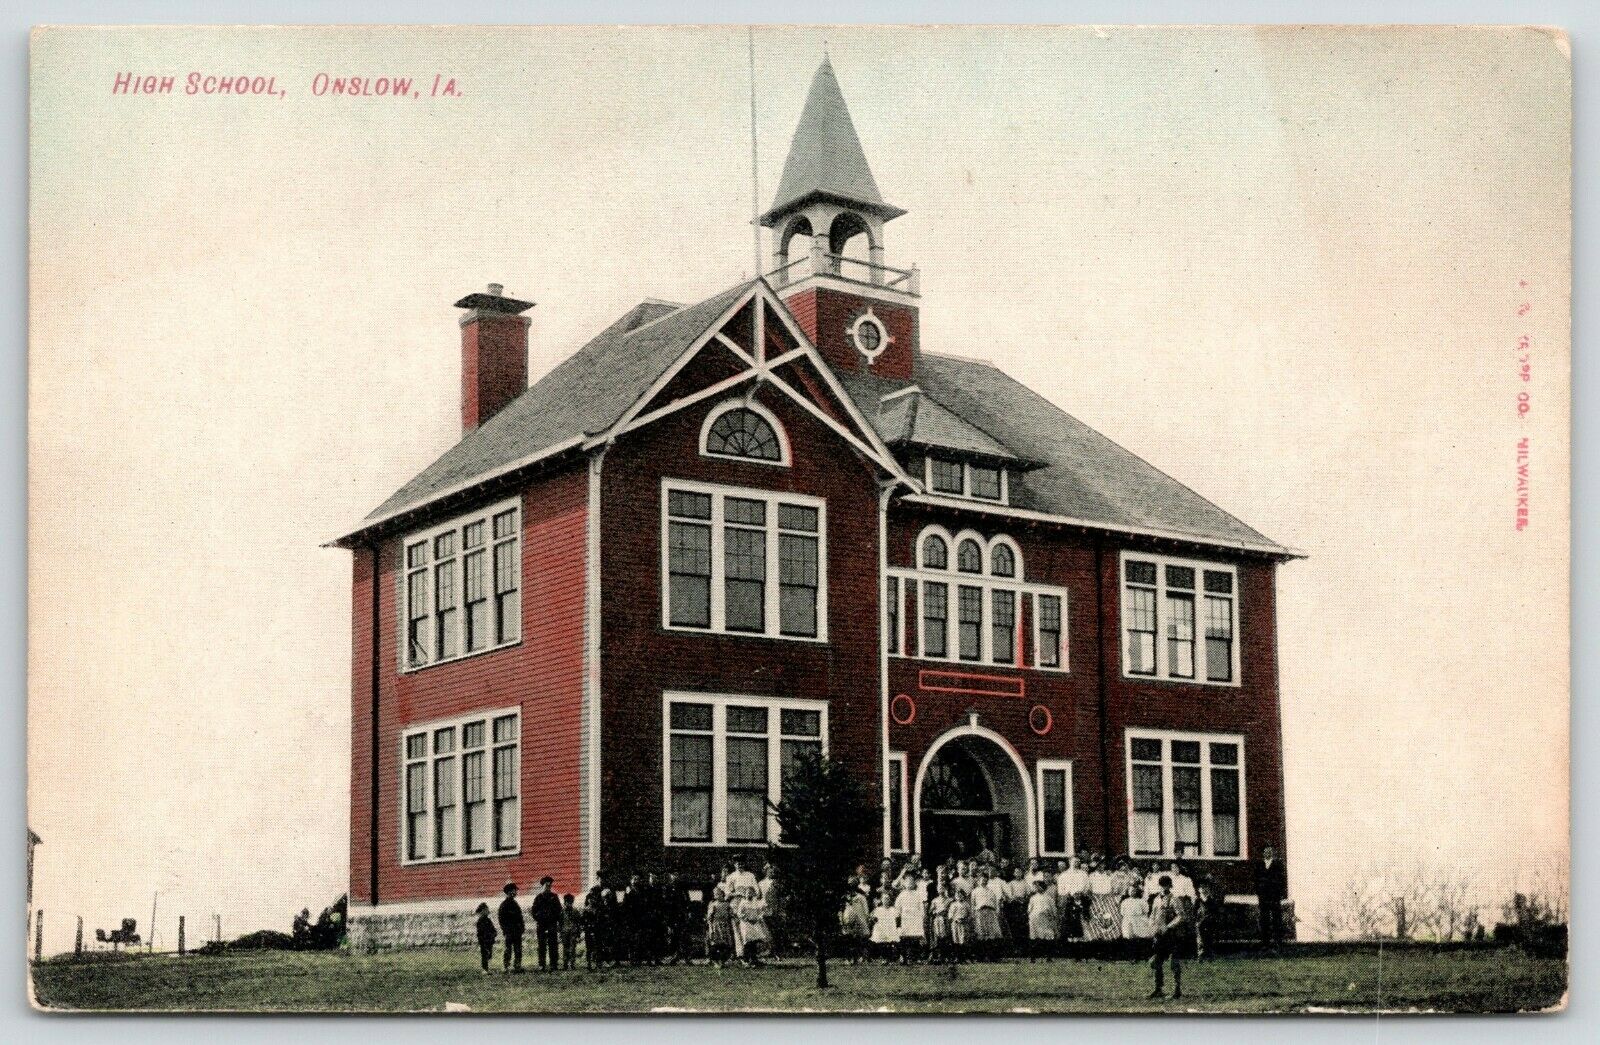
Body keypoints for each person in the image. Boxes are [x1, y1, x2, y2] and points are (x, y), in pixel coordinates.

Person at [1147, 875, 1188, 1000]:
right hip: (1159, 935)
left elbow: (1181, 916)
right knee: (1156, 962)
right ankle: (1158, 989)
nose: (1163, 887)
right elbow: (1152, 916)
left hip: (1172, 935)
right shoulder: (1156, 899)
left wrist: (1169, 927)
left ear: (1170, 886)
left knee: (1173, 963)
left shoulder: (1174, 899)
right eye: (1161, 885)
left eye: (1166, 885)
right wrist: (1152, 928)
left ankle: (1177, 990)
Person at [1253, 845, 1288, 948]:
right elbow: (1256, 879)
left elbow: (1281, 880)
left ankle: (1278, 942)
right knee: (1264, 919)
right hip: (1263, 897)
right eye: (1266, 851)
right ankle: (1265, 942)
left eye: (1270, 851)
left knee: (1277, 918)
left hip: (1274, 896)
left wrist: (1279, 893)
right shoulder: (1259, 864)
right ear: (1263, 853)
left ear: (1272, 852)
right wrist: (1259, 892)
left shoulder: (1278, 865)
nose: (1268, 853)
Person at [530, 876, 562, 971]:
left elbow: (559, 910)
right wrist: (540, 918)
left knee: (553, 945)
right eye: (546, 885)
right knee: (542, 945)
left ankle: (553, 964)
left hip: (552, 924)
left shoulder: (554, 897)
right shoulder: (538, 898)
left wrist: (554, 919)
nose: (548, 887)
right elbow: (533, 911)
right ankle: (542, 964)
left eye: (549, 886)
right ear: (542, 886)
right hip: (542, 925)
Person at [733, 887, 771, 966]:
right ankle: (746, 960)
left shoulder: (755, 902)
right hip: (746, 924)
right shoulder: (743, 903)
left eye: (751, 893)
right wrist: (747, 918)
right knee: (748, 942)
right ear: (745, 894)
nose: (749, 894)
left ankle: (754, 959)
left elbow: (760, 912)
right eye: (747, 893)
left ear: (754, 894)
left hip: (755, 923)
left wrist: (757, 918)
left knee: (755, 941)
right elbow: (739, 913)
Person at [971, 870, 1003, 957]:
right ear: (978, 880)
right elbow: (973, 904)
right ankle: (981, 955)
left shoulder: (991, 891)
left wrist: (996, 913)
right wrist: (973, 915)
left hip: (990, 912)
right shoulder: (975, 891)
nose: (983, 881)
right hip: (980, 912)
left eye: (985, 879)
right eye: (981, 879)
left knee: (990, 933)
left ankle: (991, 955)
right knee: (981, 933)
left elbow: (995, 903)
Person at [896, 874, 927, 963]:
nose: (910, 883)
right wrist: (898, 915)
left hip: (915, 918)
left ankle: (914, 957)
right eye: (908, 881)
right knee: (905, 937)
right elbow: (898, 906)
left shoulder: (918, 894)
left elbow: (921, 906)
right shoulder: (902, 894)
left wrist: (922, 915)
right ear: (904, 883)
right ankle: (904, 956)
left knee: (915, 937)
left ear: (914, 883)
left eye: (911, 881)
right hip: (905, 918)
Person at [1026, 878, 1059, 962]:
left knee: (1048, 938)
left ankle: (1049, 957)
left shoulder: (1049, 898)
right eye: (1036, 887)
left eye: (1039, 886)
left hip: (1045, 920)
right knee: (1034, 938)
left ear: (1043, 887)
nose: (1037, 888)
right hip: (1035, 920)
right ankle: (1033, 958)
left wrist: (1053, 917)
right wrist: (1030, 917)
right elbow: (1029, 910)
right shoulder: (1033, 898)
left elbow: (1053, 910)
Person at [840, 880, 871, 963]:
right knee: (848, 938)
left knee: (858, 938)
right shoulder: (845, 897)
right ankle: (848, 958)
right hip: (848, 919)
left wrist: (866, 919)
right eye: (850, 886)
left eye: (853, 886)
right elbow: (842, 909)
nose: (851, 889)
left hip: (859, 919)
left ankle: (858, 957)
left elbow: (866, 910)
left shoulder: (861, 897)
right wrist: (842, 919)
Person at [497, 881, 525, 972]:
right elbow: (501, 919)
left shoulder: (515, 904)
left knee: (518, 949)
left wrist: (521, 928)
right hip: (509, 931)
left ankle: (517, 966)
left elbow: (520, 917)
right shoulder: (504, 905)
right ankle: (506, 966)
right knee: (508, 949)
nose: (515, 892)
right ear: (509, 892)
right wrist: (505, 930)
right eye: (514, 891)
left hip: (517, 931)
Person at [705, 886, 736, 967]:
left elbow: (731, 914)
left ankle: (723, 961)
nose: (717, 895)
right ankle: (715, 961)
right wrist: (711, 928)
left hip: (725, 925)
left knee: (726, 944)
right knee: (715, 944)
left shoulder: (727, 904)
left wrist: (734, 917)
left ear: (722, 894)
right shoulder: (713, 904)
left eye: (718, 894)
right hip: (716, 925)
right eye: (715, 894)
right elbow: (709, 917)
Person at [582, 884, 607, 970]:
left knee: (598, 945)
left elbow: (602, 913)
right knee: (590, 945)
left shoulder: (601, 900)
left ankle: (598, 962)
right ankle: (589, 963)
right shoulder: (588, 900)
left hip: (598, 925)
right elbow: (585, 914)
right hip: (589, 925)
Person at [870, 890, 899, 963]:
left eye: (887, 899)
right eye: (884, 899)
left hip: (890, 928)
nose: (886, 901)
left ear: (890, 900)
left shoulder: (893, 909)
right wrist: (877, 924)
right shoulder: (878, 909)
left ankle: (891, 958)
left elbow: (897, 919)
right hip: (881, 928)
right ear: (882, 900)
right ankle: (885, 958)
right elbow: (873, 918)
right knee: (882, 944)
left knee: (890, 943)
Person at [947, 885, 973, 965]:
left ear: (963, 896)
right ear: (955, 896)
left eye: (961, 895)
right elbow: (950, 915)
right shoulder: (953, 905)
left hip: (964, 924)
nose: (959, 897)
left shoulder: (966, 904)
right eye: (957, 895)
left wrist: (966, 920)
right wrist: (955, 919)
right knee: (956, 939)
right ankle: (957, 957)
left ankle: (964, 958)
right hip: (955, 924)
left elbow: (970, 914)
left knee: (964, 939)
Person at [928, 884, 953, 964]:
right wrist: (935, 912)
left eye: (942, 888)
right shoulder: (935, 900)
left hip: (946, 920)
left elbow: (952, 910)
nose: (941, 890)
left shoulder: (950, 900)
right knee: (937, 936)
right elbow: (930, 911)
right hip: (938, 920)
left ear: (945, 889)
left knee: (946, 937)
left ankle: (946, 956)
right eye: (939, 888)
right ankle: (937, 956)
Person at [559, 893, 582, 970]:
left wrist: (578, 934)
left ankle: (572, 964)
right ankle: (565, 964)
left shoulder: (575, 912)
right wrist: (560, 933)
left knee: (572, 949)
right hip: (564, 932)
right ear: (565, 902)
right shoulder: (562, 912)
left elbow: (578, 923)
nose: (568, 904)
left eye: (570, 902)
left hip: (573, 932)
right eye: (567, 902)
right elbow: (560, 923)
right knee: (565, 948)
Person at [474, 902, 497, 973]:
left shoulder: (488, 920)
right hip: (484, 941)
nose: (488, 911)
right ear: (482, 911)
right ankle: (485, 968)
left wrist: (493, 934)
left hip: (489, 940)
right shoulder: (480, 921)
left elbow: (493, 929)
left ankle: (487, 968)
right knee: (485, 955)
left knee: (489, 954)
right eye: (486, 910)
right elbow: (480, 933)